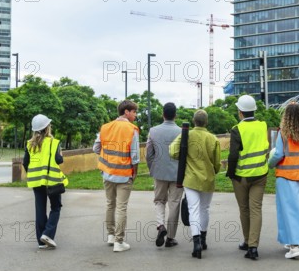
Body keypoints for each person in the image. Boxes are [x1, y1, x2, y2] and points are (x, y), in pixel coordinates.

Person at [170, 109, 221, 259]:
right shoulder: (212, 138)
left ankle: (196, 242)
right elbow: (217, 163)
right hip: (207, 178)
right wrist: (213, 171)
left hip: (191, 178)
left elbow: (173, 151)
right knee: (204, 208)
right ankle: (203, 239)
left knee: (193, 210)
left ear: (194, 121)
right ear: (206, 122)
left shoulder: (186, 135)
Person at [268, 103, 299, 259]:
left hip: (287, 176)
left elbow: (278, 154)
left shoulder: (283, 134)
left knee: (289, 211)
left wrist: (269, 164)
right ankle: (294, 241)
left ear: (286, 117)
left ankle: (294, 246)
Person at [226, 95, 269, 260]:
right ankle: (253, 246)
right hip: (260, 174)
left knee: (244, 209)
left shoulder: (237, 129)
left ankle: (247, 241)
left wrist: (231, 173)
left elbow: (233, 156)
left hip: (242, 176)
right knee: (256, 209)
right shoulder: (262, 126)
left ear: (240, 112)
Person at [94, 100, 139, 252]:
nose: (135, 115)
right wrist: (135, 173)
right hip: (124, 174)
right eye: (134, 112)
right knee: (121, 207)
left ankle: (111, 235)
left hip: (107, 173)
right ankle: (119, 242)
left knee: (110, 204)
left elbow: (96, 148)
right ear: (126, 112)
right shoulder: (132, 129)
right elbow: (135, 156)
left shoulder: (105, 127)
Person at [22, 114, 68, 250]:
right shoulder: (54, 143)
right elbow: (59, 160)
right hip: (52, 180)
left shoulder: (30, 144)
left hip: (36, 181)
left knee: (40, 210)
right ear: (47, 127)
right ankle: (48, 234)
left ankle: (41, 241)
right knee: (56, 207)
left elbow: (26, 163)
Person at [146, 102, 183, 248]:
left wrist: (152, 168)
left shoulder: (153, 131)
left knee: (159, 201)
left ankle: (160, 225)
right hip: (177, 174)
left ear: (163, 114)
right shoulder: (182, 132)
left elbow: (149, 154)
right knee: (174, 204)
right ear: (175, 115)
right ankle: (171, 238)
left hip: (159, 172)